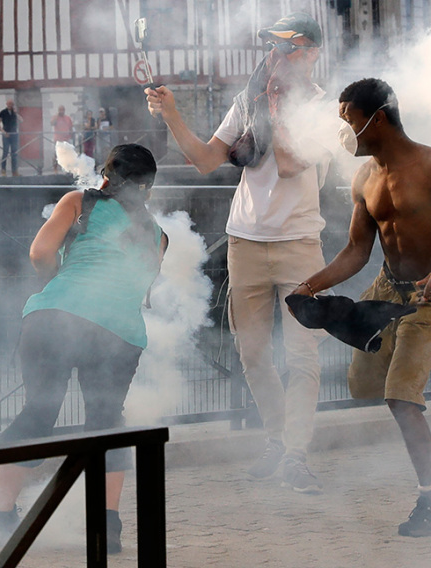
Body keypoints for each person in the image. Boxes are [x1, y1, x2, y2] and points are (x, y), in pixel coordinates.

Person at [292, 78, 431, 536]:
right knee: (363, 384)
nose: (343, 131)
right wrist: (309, 286)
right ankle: (408, 390)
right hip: (386, 289)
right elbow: (355, 251)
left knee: (401, 399)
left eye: (347, 119)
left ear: (376, 119)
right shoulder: (364, 177)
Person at [146, 12, 331, 493]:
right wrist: (172, 115)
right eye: (272, 48)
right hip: (244, 241)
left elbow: (290, 164)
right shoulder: (248, 103)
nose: (276, 57)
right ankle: (276, 439)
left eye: (287, 49)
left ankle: (296, 454)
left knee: (302, 356)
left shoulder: (323, 108)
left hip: (299, 245)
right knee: (251, 354)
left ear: (311, 54)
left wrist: (274, 103)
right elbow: (207, 159)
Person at [0, 144, 168, 554]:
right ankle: (108, 527)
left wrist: (57, 286)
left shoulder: (77, 202)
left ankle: (0, 517)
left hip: (53, 317)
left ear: (105, 177)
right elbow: (141, 289)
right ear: (148, 190)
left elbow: (39, 253)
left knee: (38, 411)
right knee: (105, 421)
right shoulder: (159, 235)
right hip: (118, 332)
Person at [0, 99, 22, 176]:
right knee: (5, 152)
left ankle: (15, 171)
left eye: (12, 104)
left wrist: (16, 113)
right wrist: (4, 132)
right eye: (9, 104)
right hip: (6, 134)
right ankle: (3, 170)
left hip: (14, 134)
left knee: (14, 153)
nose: (11, 105)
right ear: (7, 104)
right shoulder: (2, 112)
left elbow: (21, 120)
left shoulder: (15, 113)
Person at [51, 105, 74, 171]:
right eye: (60, 110)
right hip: (58, 139)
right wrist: (56, 116)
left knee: (68, 154)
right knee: (56, 154)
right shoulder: (55, 117)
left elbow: (71, 127)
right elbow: (52, 123)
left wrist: (71, 135)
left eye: (62, 110)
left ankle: (67, 169)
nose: (61, 111)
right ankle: (55, 169)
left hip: (66, 139)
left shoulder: (67, 118)